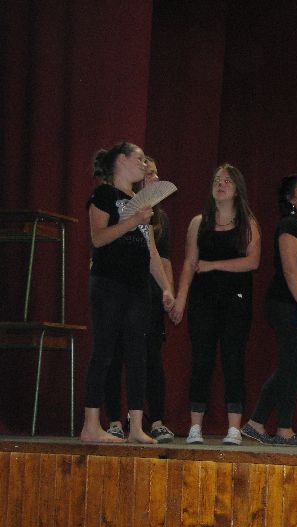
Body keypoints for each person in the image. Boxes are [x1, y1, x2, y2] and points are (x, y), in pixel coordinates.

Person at [80, 142, 175, 443]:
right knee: (105, 350)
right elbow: (98, 237)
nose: (145, 165)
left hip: (137, 287)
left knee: (137, 354)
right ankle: (91, 425)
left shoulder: (139, 200)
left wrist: (166, 287)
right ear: (121, 160)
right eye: (140, 159)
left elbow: (151, 252)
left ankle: (135, 427)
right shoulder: (104, 194)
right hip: (109, 282)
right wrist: (133, 220)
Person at [170, 164, 261, 445]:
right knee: (202, 360)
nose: (220, 185)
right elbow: (189, 262)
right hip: (203, 299)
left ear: (237, 189)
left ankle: (234, 428)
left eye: (227, 181)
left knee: (233, 359)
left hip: (236, 300)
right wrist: (181, 298)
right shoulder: (199, 223)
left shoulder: (247, 223)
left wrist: (213, 265)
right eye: (217, 180)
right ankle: (195, 426)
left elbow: (252, 262)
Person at [241, 174, 297, 446]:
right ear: (291, 198)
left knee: (292, 365)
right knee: (293, 364)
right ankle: (282, 428)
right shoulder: (289, 225)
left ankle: (258, 423)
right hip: (285, 304)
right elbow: (290, 269)